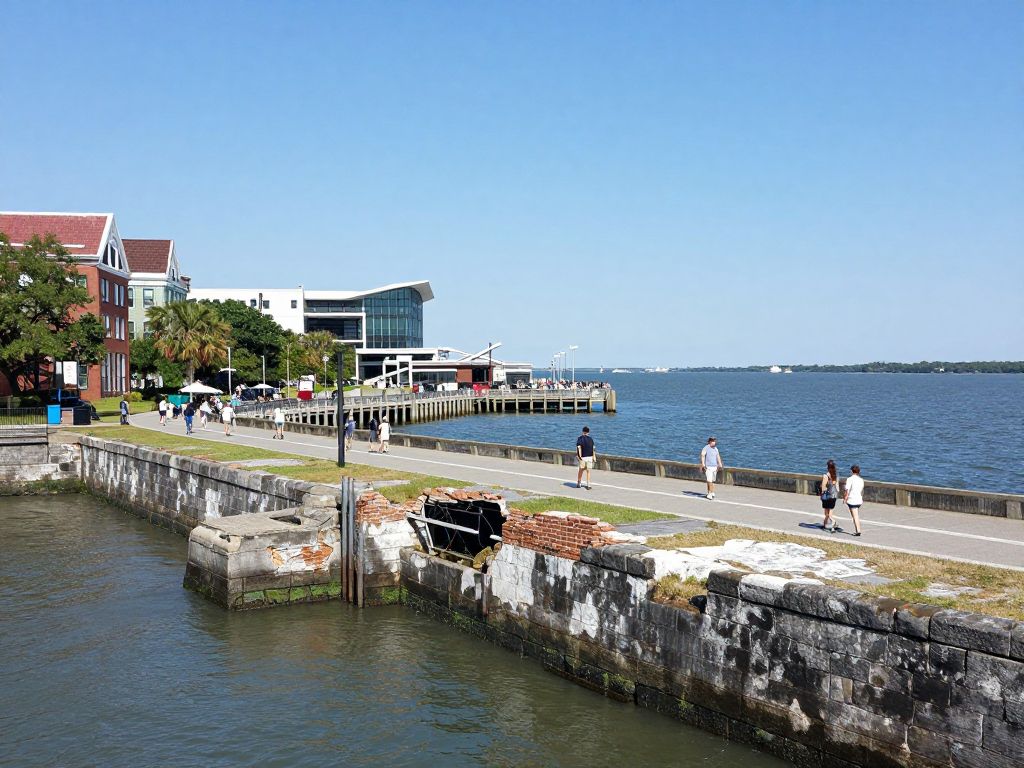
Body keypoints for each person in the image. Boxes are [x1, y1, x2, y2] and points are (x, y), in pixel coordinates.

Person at [844, 465, 865, 536]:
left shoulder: (850, 479)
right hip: (859, 500)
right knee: (855, 515)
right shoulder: (861, 480)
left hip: (852, 500)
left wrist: (845, 498)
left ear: (851, 471)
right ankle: (857, 529)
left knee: (855, 515)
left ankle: (858, 531)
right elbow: (861, 490)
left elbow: (847, 490)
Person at [820, 459, 840, 532]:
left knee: (826, 513)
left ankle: (833, 521)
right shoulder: (836, 475)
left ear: (827, 467)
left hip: (827, 496)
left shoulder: (826, 476)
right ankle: (826, 525)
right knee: (830, 512)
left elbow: (823, 487)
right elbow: (837, 487)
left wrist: (822, 493)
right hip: (834, 495)